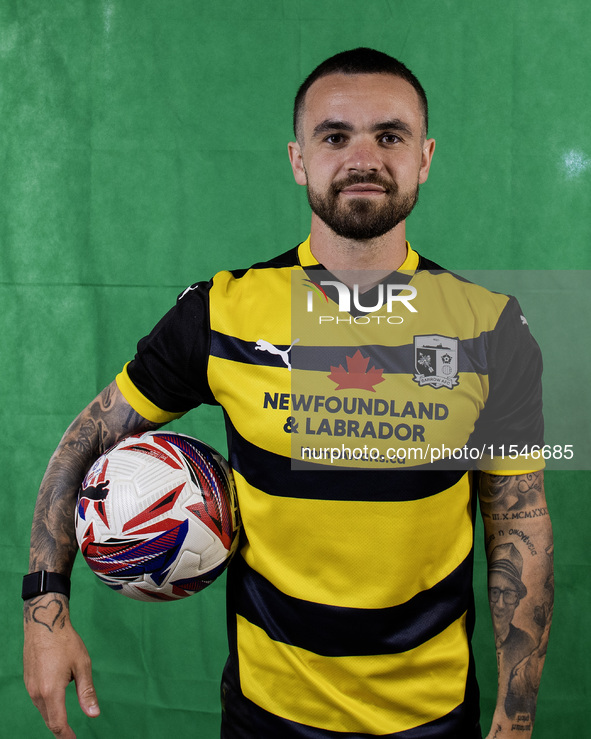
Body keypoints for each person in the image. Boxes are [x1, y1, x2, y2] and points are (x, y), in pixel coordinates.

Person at [23, 48, 554, 739]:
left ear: (423, 157)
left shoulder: (491, 327)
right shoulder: (221, 313)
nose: (362, 156)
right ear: (298, 159)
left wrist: (515, 722)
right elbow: (84, 442)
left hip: (431, 720)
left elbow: (520, 525)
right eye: (334, 136)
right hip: (265, 718)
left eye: (388, 135)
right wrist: (45, 612)